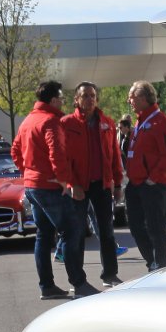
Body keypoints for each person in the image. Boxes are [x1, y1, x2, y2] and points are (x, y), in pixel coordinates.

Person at [12, 81, 95, 299]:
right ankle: (79, 283)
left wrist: (28, 172)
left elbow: (15, 151)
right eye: (61, 98)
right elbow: (57, 154)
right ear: (54, 100)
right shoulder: (51, 121)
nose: (63, 102)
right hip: (48, 186)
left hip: (32, 186)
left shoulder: (28, 120)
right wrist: (65, 182)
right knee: (71, 231)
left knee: (43, 234)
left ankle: (47, 286)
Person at [61, 81, 126, 286]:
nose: (89, 99)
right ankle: (78, 279)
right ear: (76, 99)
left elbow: (114, 155)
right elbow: (62, 159)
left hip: (102, 186)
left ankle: (110, 275)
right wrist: (72, 184)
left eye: (92, 95)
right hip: (78, 186)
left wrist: (117, 184)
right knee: (78, 232)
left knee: (107, 231)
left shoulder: (107, 123)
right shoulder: (66, 124)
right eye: (85, 96)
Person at [124, 80, 166, 271]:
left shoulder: (160, 122)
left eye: (132, 96)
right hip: (136, 183)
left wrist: (153, 178)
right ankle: (152, 261)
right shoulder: (140, 121)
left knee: (156, 227)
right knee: (135, 225)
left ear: (144, 98)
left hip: (151, 184)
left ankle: (161, 265)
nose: (129, 100)